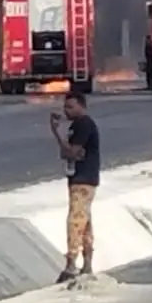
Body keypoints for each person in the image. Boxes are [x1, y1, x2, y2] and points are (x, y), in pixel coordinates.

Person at [51, 91, 101, 281]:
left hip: (84, 178)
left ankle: (71, 263)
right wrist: (58, 133)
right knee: (85, 221)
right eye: (66, 107)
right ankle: (87, 263)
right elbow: (66, 153)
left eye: (71, 107)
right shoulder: (75, 126)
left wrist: (58, 135)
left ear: (81, 106)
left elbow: (72, 152)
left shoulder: (84, 125)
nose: (67, 111)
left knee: (75, 220)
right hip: (80, 177)